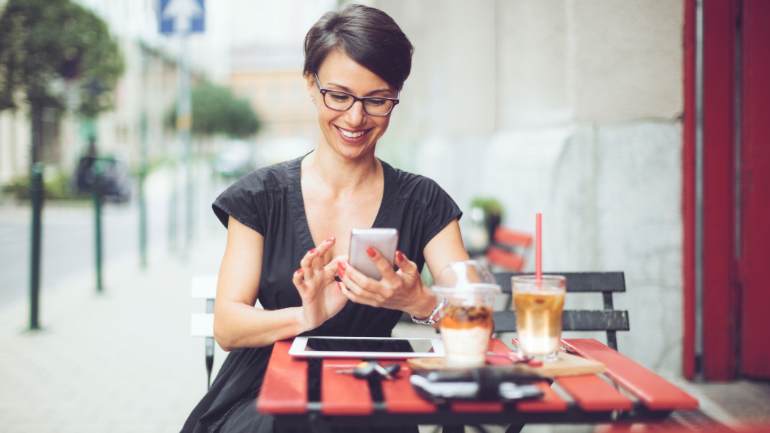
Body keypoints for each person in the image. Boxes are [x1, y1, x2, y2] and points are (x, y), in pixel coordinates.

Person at [181, 4, 468, 433]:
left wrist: (420, 302)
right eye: (340, 95)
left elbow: (473, 308)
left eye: (377, 100)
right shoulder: (261, 197)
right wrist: (305, 317)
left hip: (374, 390)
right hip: (264, 393)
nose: (356, 118)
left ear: (396, 96)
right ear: (311, 85)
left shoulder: (423, 200)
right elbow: (228, 325)